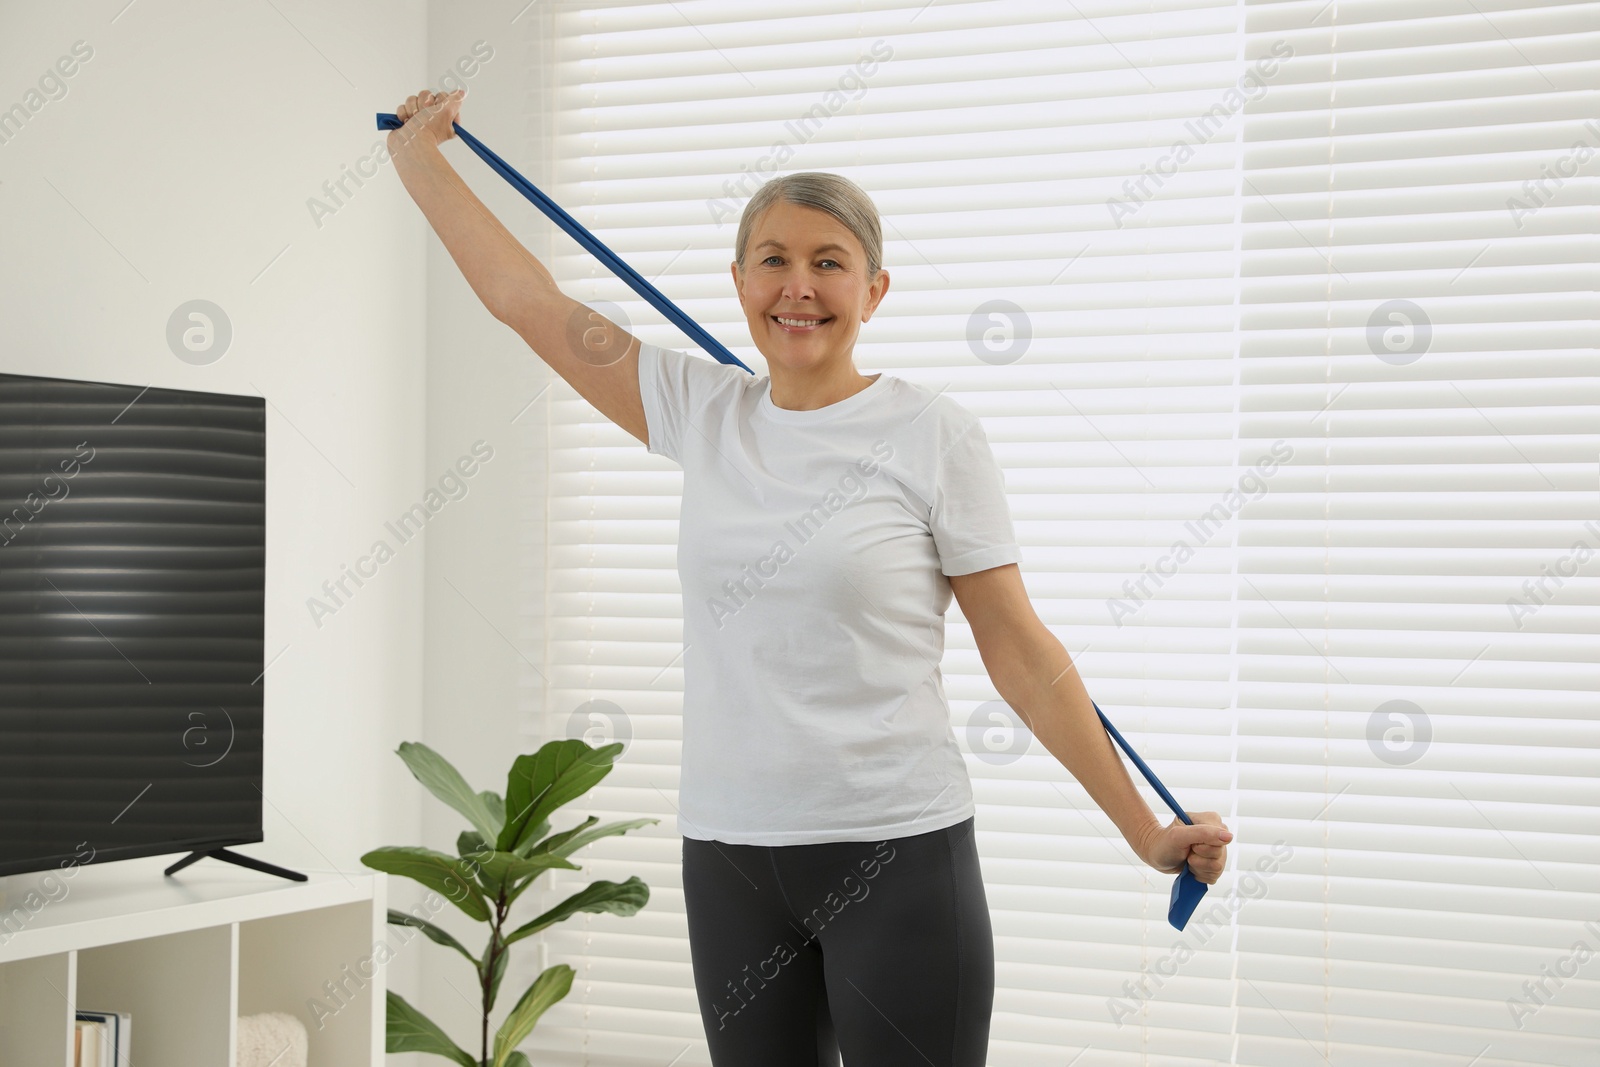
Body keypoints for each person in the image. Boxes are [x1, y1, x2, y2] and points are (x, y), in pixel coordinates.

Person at [387, 87, 1233, 1067]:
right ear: (739, 280)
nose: (799, 286)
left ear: (874, 290)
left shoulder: (931, 434)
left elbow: (1019, 650)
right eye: (774, 261)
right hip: (730, 857)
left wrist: (1143, 830)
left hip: (897, 853)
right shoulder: (699, 411)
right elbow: (526, 303)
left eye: (828, 263)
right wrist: (418, 160)